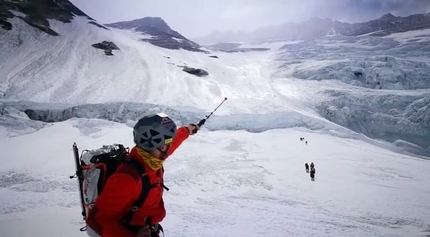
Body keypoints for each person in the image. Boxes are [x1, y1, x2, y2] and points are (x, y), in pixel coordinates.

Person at [86, 113, 199, 237]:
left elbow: (174, 140)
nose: (170, 146)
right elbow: (97, 219)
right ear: (158, 146)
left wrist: (187, 130)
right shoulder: (127, 178)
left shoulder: (151, 158)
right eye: (167, 143)